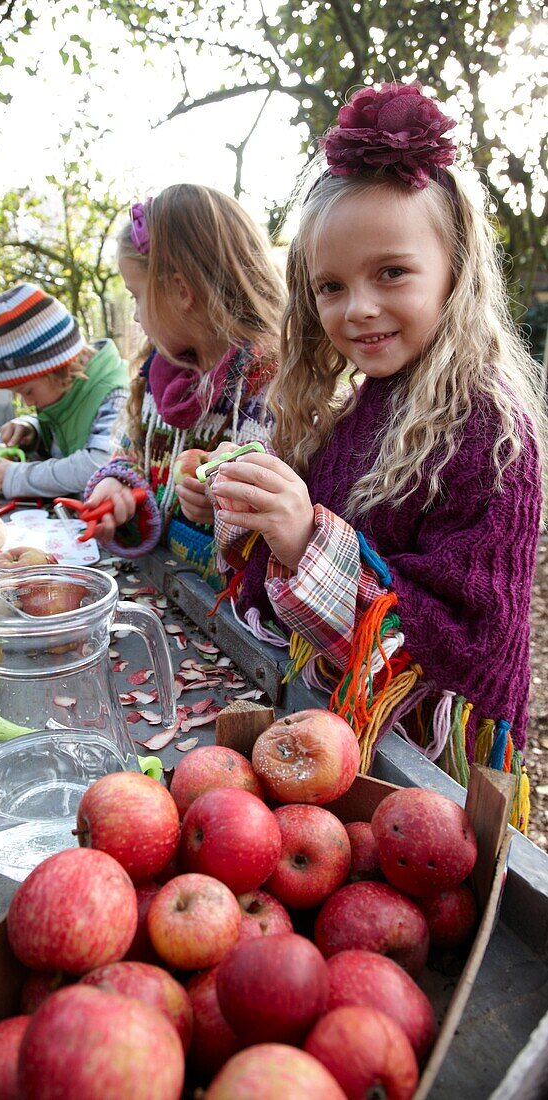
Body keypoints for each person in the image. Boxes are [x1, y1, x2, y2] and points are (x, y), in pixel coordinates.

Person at [209, 82, 546, 829]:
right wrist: (244, 513)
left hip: (432, 783)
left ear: (454, 271)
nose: (356, 307)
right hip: (334, 745)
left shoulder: (490, 434)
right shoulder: (361, 406)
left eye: (389, 273)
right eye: (330, 285)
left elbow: (460, 643)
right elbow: (286, 581)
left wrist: (305, 541)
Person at [82, 183, 286, 584]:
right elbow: (131, 455)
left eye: (137, 296)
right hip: (172, 596)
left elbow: (296, 526)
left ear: (180, 291)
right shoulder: (159, 379)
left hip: (237, 626)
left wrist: (232, 514)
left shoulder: (278, 395)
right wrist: (117, 486)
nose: (137, 318)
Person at [0, 283, 130, 498]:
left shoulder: (115, 395)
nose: (28, 403)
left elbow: (100, 464)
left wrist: (20, 478)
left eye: (28, 391)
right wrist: (34, 430)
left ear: (58, 369)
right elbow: (69, 431)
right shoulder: (67, 390)